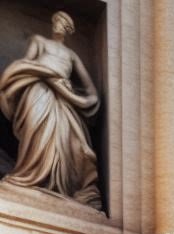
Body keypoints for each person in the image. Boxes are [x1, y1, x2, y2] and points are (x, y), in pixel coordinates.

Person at [0, 11, 102, 209]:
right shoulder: (39, 41)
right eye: (56, 22)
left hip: (63, 101)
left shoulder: (72, 56)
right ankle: (28, 176)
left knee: (67, 142)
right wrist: (47, 73)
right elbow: (24, 64)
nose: (58, 26)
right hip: (38, 91)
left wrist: (72, 96)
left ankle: (60, 188)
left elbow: (92, 93)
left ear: (68, 31)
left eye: (63, 24)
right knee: (36, 131)